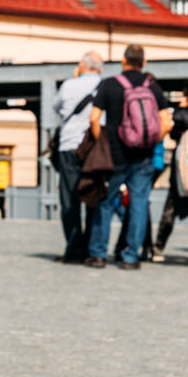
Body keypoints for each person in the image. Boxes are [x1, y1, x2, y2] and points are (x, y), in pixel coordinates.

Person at [84, 44, 170, 270]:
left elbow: (94, 118)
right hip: (143, 155)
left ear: (123, 61)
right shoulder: (153, 87)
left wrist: (100, 141)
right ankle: (131, 256)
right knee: (139, 204)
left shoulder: (110, 85)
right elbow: (166, 123)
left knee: (105, 202)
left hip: (114, 154)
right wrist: (151, 141)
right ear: (143, 63)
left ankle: (98, 254)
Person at [52, 52, 104, 263]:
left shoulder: (68, 85)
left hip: (69, 146)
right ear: (99, 68)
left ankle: (74, 249)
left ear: (82, 65)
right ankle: (92, 248)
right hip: (93, 147)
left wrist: (74, 79)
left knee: (69, 199)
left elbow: (56, 108)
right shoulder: (104, 86)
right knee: (93, 197)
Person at [152, 81, 188, 263]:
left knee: (171, 208)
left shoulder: (182, 113)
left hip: (181, 165)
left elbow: (174, 134)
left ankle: (158, 247)